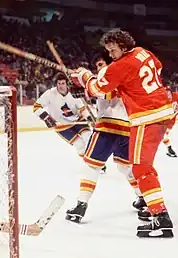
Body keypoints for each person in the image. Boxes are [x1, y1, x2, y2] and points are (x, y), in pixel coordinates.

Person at [70, 29, 174, 238]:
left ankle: (161, 216)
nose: (110, 55)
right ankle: (153, 208)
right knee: (132, 167)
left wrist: (84, 77)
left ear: (123, 45)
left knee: (138, 168)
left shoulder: (118, 67)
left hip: (143, 118)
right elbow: (157, 69)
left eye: (113, 50)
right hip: (161, 112)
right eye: (107, 52)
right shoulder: (143, 52)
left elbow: (100, 89)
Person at [66, 52, 145, 224]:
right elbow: (97, 93)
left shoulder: (110, 74)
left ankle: (81, 205)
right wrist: (81, 86)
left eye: (101, 64)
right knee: (125, 167)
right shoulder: (122, 74)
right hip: (126, 127)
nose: (99, 68)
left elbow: (105, 91)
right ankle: (143, 197)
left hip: (108, 127)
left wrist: (85, 76)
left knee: (91, 166)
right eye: (97, 66)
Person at [33, 72, 93, 158]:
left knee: (88, 138)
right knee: (79, 145)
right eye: (59, 83)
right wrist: (46, 117)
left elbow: (82, 108)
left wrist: (89, 117)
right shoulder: (50, 94)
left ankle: (96, 160)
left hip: (78, 120)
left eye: (63, 83)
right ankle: (90, 163)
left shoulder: (73, 93)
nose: (61, 86)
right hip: (61, 125)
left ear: (67, 83)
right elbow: (36, 107)